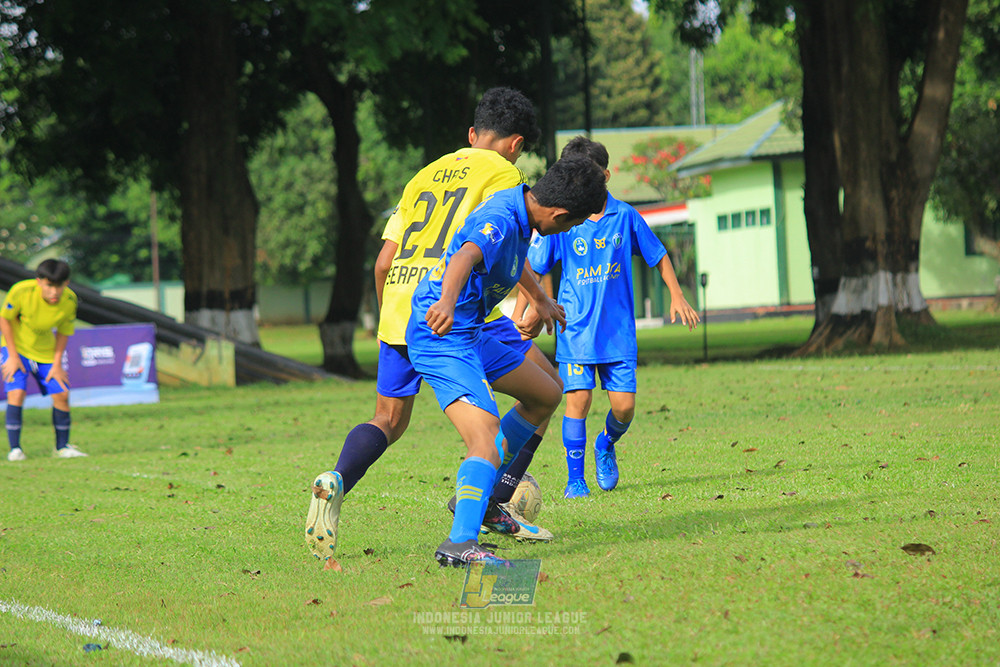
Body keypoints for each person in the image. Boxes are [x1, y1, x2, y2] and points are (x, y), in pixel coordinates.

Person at [306, 87, 560, 562]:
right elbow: (492, 241)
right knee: (545, 389)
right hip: (455, 308)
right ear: (516, 145)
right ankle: (490, 502)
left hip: (402, 308)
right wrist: (535, 295)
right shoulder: (505, 174)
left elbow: (383, 261)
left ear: (471, 133)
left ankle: (337, 477)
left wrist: (392, 322)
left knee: (388, 420)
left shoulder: (424, 175)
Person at [406, 155, 607, 566]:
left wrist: (540, 299)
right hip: (440, 334)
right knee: (489, 440)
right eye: (570, 225)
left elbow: (510, 263)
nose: (566, 231)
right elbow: (465, 256)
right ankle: (458, 545)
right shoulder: (501, 216)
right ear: (560, 213)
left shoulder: (522, 211)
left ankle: (476, 493)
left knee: (546, 392)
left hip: (471, 333)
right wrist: (446, 301)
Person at [525, 137, 699, 498]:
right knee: (578, 400)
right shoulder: (564, 220)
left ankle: (605, 444)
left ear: (604, 176)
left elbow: (659, 254)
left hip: (618, 332)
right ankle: (576, 480)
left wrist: (677, 295)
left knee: (624, 408)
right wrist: (540, 302)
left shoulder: (625, 216)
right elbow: (537, 264)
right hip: (576, 330)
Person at [2, 259, 87, 461]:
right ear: (39, 281)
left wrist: (57, 364)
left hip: (46, 353)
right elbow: (5, 319)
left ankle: (62, 448)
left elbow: (64, 333)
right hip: (16, 349)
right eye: (49, 285)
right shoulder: (21, 291)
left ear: (66, 283)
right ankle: (15, 450)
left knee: (62, 395)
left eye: (59, 286)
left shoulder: (69, 300)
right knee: (16, 393)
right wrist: (12, 356)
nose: (54, 292)